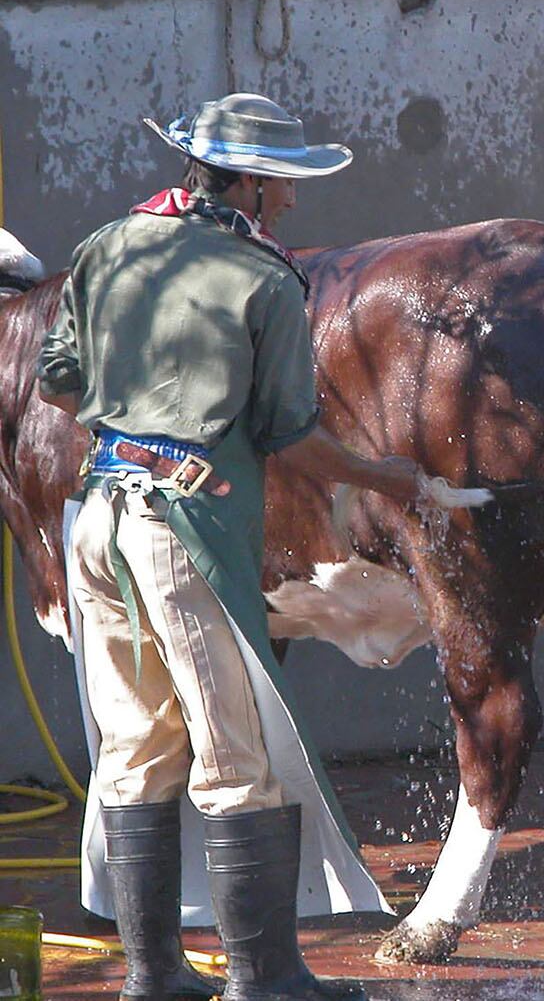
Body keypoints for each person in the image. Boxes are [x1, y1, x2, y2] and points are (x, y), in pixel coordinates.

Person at [36, 93, 432, 1001]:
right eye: (283, 183)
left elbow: (58, 381)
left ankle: (154, 974)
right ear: (250, 182)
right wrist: (386, 478)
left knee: (134, 745)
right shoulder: (264, 276)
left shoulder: (107, 244)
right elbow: (291, 434)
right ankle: (265, 978)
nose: (290, 202)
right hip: (184, 532)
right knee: (235, 749)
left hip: (96, 517)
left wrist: (137, 425)